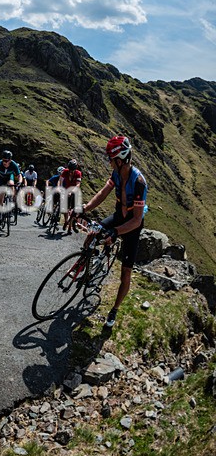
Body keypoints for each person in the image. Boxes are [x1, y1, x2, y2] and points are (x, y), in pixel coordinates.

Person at [74, 135, 147, 328]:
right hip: (118, 216)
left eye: (111, 158)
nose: (109, 162)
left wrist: (115, 232)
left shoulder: (138, 182)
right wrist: (85, 207)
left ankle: (114, 310)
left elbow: (137, 220)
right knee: (92, 234)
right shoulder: (116, 175)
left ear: (120, 159)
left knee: (125, 273)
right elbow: (102, 193)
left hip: (131, 225)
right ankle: (84, 264)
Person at [0, 150, 22, 224]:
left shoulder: (13, 164)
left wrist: (20, 182)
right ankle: (0, 214)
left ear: (10, 160)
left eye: (6, 161)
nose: (5, 162)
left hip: (9, 177)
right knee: (1, 196)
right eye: (3, 160)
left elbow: (19, 175)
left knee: (11, 184)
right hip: (1, 178)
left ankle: (11, 199)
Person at [61, 159, 83, 234]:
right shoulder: (65, 171)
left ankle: (70, 226)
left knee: (73, 210)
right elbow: (60, 180)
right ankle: (66, 220)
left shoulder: (78, 173)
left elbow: (78, 184)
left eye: (72, 170)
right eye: (70, 170)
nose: (70, 172)